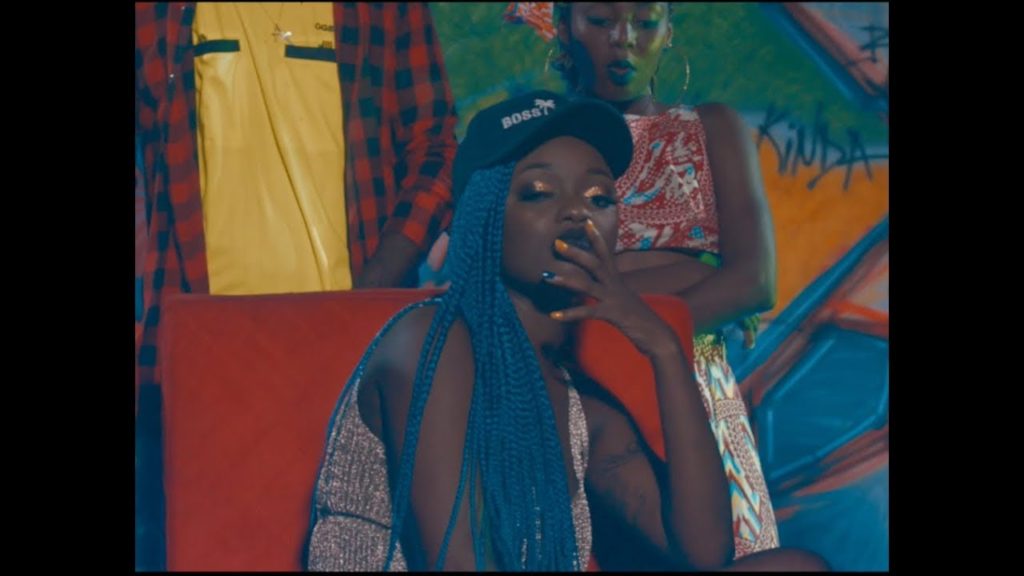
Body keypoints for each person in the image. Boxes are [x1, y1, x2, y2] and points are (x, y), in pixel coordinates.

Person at [305, 90, 826, 572]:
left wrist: (666, 349)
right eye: (538, 192)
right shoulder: (430, 342)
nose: (578, 210)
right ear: (484, 216)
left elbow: (704, 552)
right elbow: (459, 562)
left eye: (600, 197)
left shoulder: (577, 406)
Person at [134, 3, 457, 568]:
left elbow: (435, 147)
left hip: (355, 354)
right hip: (204, 358)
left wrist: (367, 299)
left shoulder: (387, 10)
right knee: (212, 551)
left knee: (359, 550)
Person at [544, 2, 781, 559]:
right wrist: (693, 272)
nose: (624, 38)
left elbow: (754, 282)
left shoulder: (710, 128)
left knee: (731, 556)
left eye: (646, 22)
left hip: (698, 386)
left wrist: (616, 289)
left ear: (669, 31)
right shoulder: (544, 144)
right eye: (600, 21)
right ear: (563, 27)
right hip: (587, 392)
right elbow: (547, 283)